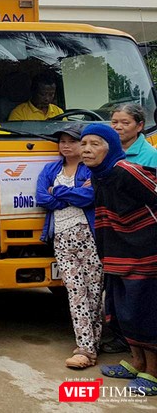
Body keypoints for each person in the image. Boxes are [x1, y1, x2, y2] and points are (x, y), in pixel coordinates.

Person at [81, 124, 157, 396]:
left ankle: (153, 373)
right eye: (84, 144)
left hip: (145, 254)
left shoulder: (127, 171)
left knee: (145, 313)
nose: (86, 149)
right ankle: (137, 363)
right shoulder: (99, 176)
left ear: (111, 147)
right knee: (124, 313)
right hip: (117, 254)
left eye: (95, 144)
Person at [34, 123, 100, 369]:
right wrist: (72, 194)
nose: (66, 145)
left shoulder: (91, 169)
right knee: (75, 292)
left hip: (89, 236)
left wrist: (58, 191)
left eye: (72, 141)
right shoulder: (50, 169)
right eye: (62, 141)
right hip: (61, 237)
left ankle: (92, 344)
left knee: (94, 293)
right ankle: (85, 348)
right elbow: (42, 197)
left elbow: (91, 197)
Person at [111, 103, 157, 168]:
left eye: (125, 123)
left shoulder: (151, 155)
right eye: (114, 122)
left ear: (140, 126)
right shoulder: (105, 149)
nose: (118, 127)